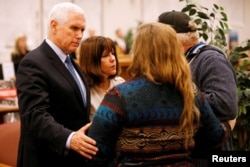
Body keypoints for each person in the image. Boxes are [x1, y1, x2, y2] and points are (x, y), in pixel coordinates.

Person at [86, 22, 235, 167]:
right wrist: (229, 125)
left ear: (138, 52)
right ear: (174, 50)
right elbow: (215, 137)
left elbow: (95, 152)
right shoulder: (190, 92)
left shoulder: (119, 95)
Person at [16, 2, 98, 167]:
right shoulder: (33, 62)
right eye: (74, 28)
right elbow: (34, 114)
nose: (80, 35)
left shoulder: (72, 62)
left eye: (82, 30)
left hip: (74, 157)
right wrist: (69, 138)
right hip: (46, 158)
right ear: (54, 26)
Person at [158, 11, 238, 153]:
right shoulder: (182, 59)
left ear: (172, 40)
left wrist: (174, 97)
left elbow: (226, 104)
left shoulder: (211, 59)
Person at [78, 36, 125, 121]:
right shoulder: (84, 91)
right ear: (92, 61)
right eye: (105, 55)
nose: (113, 59)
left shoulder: (120, 83)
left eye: (113, 53)